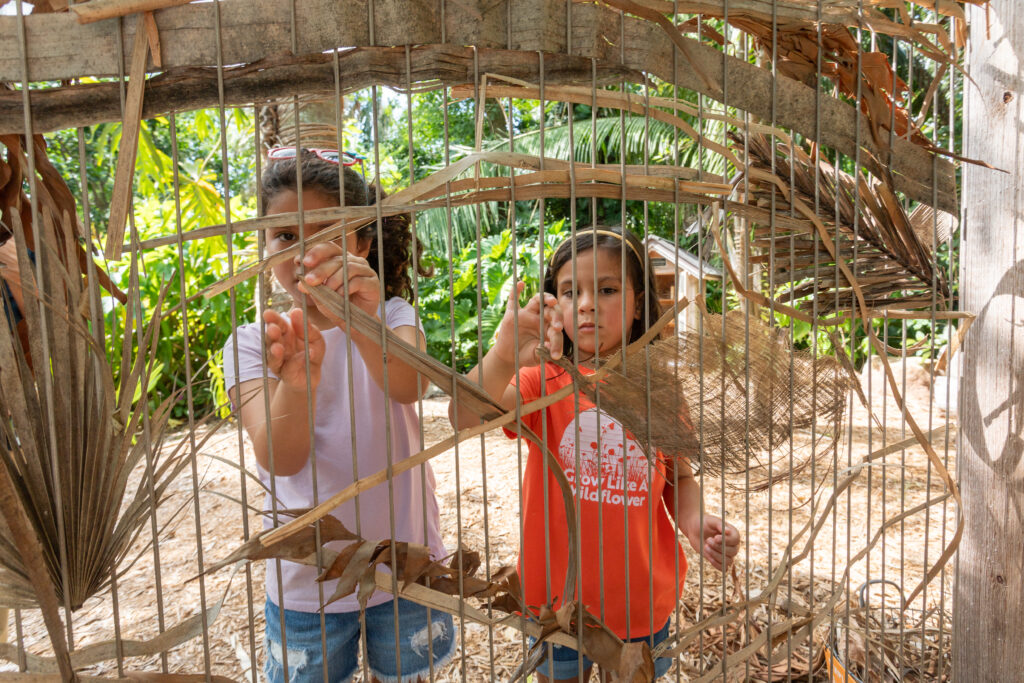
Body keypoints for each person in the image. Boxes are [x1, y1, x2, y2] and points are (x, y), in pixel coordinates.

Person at [450, 226, 741, 682]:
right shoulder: (542, 383)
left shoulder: (659, 390)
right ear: (555, 305)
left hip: (642, 600)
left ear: (639, 301)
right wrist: (505, 353)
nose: (586, 304)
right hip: (557, 603)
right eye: (570, 292)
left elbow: (679, 479)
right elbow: (464, 415)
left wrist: (696, 522)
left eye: (606, 289)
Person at [223, 148, 454, 683]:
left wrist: (361, 320)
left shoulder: (393, 315)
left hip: (404, 566)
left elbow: (407, 385)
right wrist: (298, 383)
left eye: (324, 230)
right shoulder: (255, 344)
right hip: (307, 581)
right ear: (264, 245)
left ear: (362, 244)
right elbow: (280, 459)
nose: (301, 249)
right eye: (283, 235)